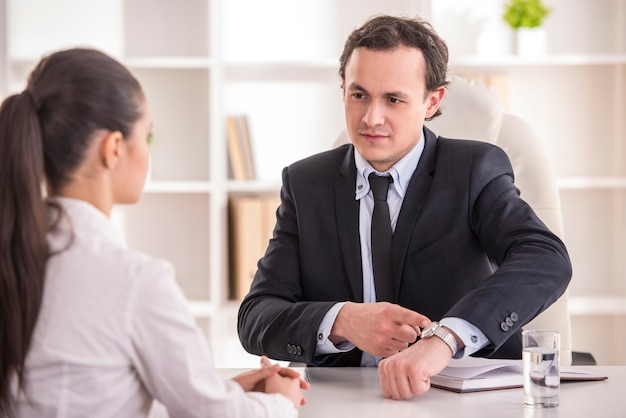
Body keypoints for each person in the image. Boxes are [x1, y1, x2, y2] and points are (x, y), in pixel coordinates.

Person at [237, 15, 572, 400]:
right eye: (359, 94)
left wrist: (444, 339)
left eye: (393, 99)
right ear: (343, 89)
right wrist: (342, 321)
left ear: (432, 102)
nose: (371, 118)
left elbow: (546, 257)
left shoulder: (472, 170)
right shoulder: (305, 183)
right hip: (347, 399)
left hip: (459, 399)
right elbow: (257, 315)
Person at [0, 47, 308, 418]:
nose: (149, 153)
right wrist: (280, 402)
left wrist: (218, 390)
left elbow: (91, 392)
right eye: (147, 137)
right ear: (113, 148)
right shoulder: (133, 281)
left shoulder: (16, 256)